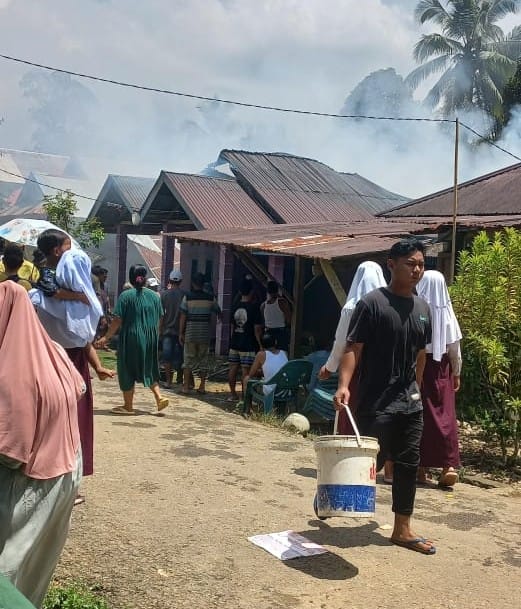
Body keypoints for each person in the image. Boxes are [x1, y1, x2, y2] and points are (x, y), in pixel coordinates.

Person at [334, 239, 435, 555]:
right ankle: (331, 491)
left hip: (410, 401)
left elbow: (421, 353)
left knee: (407, 463)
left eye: (420, 264)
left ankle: (402, 530)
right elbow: (354, 347)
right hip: (377, 400)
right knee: (368, 462)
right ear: (391, 265)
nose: (417, 269)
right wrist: (344, 384)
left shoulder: (422, 308)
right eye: (410, 263)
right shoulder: (372, 304)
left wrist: (417, 387)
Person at [0, 281, 85, 608]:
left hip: (30, 481)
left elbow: (9, 450)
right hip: (66, 469)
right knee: (39, 564)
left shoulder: (11, 372)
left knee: (10, 564)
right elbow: (78, 388)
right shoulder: (54, 351)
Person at [30, 229, 114, 492]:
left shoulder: (43, 296)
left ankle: (59, 482)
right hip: (61, 366)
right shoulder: (50, 292)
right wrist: (80, 297)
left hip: (53, 365)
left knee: (59, 424)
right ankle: (63, 484)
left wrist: (98, 366)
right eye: (68, 247)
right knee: (66, 424)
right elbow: (79, 337)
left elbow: (82, 338)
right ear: (57, 251)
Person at [319, 260, 387, 433]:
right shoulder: (388, 305)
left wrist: (329, 367)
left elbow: (341, 342)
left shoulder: (351, 307)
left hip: (356, 365)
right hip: (382, 366)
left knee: (354, 403)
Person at [96, 265, 169, 414]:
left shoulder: (126, 296)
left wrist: (106, 337)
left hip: (131, 336)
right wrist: (156, 332)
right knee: (148, 367)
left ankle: (128, 406)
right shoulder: (155, 296)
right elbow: (161, 316)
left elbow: (117, 320)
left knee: (126, 369)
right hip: (151, 337)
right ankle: (159, 397)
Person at [416, 270, 462, 487]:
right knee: (445, 417)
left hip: (420, 369)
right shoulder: (448, 314)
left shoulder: (417, 311)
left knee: (419, 415)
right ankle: (448, 466)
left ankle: (420, 467)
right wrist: (457, 373)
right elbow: (455, 349)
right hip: (442, 370)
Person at [179, 272, 222, 395]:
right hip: (204, 334)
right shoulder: (210, 298)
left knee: (188, 360)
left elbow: (182, 316)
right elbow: (218, 311)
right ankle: (202, 386)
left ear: (192, 283)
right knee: (203, 360)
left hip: (191, 333)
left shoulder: (187, 297)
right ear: (203, 284)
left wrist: (181, 333)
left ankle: (186, 386)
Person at [228, 278, 263, 401]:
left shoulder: (234, 306)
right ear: (252, 291)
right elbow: (257, 330)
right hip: (248, 344)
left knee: (232, 368)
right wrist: (260, 345)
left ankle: (232, 394)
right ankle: (244, 397)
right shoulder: (254, 308)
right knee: (246, 371)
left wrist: (232, 340)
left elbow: (232, 327)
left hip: (235, 342)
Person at [242, 332, 288, 416]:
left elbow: (251, 374)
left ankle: (248, 409)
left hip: (272, 390)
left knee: (246, 379)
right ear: (276, 342)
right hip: (286, 389)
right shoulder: (284, 353)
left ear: (262, 345)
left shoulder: (261, 355)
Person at [160, 269, 187, 388]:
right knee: (181, 356)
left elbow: (161, 315)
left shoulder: (164, 294)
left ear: (170, 280)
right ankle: (180, 380)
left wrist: (160, 329)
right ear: (181, 281)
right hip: (181, 331)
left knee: (167, 357)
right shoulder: (185, 295)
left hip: (167, 330)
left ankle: (168, 381)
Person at [260, 280, 291, 352]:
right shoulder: (282, 302)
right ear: (277, 289)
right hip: (280, 333)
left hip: (268, 333)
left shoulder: (263, 306)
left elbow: (263, 322)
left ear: (268, 291)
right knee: (282, 355)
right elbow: (289, 319)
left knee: (269, 356)